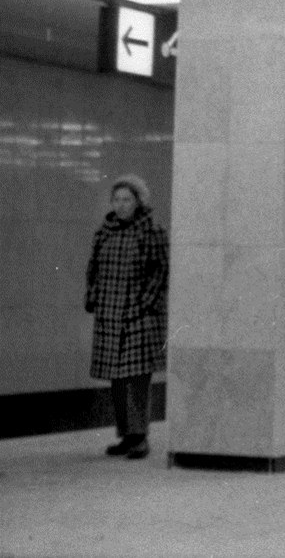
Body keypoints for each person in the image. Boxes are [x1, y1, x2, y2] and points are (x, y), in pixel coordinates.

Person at [84, 174, 169, 460]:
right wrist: (93, 297)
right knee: (118, 380)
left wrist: (144, 303)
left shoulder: (151, 231)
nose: (121, 205)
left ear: (138, 202)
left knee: (137, 379)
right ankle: (126, 434)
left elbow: (160, 271)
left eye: (127, 199)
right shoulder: (104, 232)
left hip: (139, 317)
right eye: (117, 199)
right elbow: (93, 269)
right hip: (110, 315)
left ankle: (140, 436)